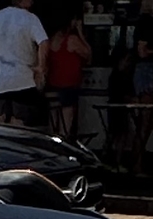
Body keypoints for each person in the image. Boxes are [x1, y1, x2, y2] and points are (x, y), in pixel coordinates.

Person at [0, 0, 48, 127]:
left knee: (0, 124)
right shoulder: (30, 19)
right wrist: (40, 67)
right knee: (25, 123)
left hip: (1, 82)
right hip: (24, 80)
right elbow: (43, 42)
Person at [46, 7, 90, 139]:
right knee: (66, 126)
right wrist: (81, 33)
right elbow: (88, 55)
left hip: (53, 85)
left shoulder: (51, 39)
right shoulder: (72, 40)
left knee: (53, 124)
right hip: (68, 86)